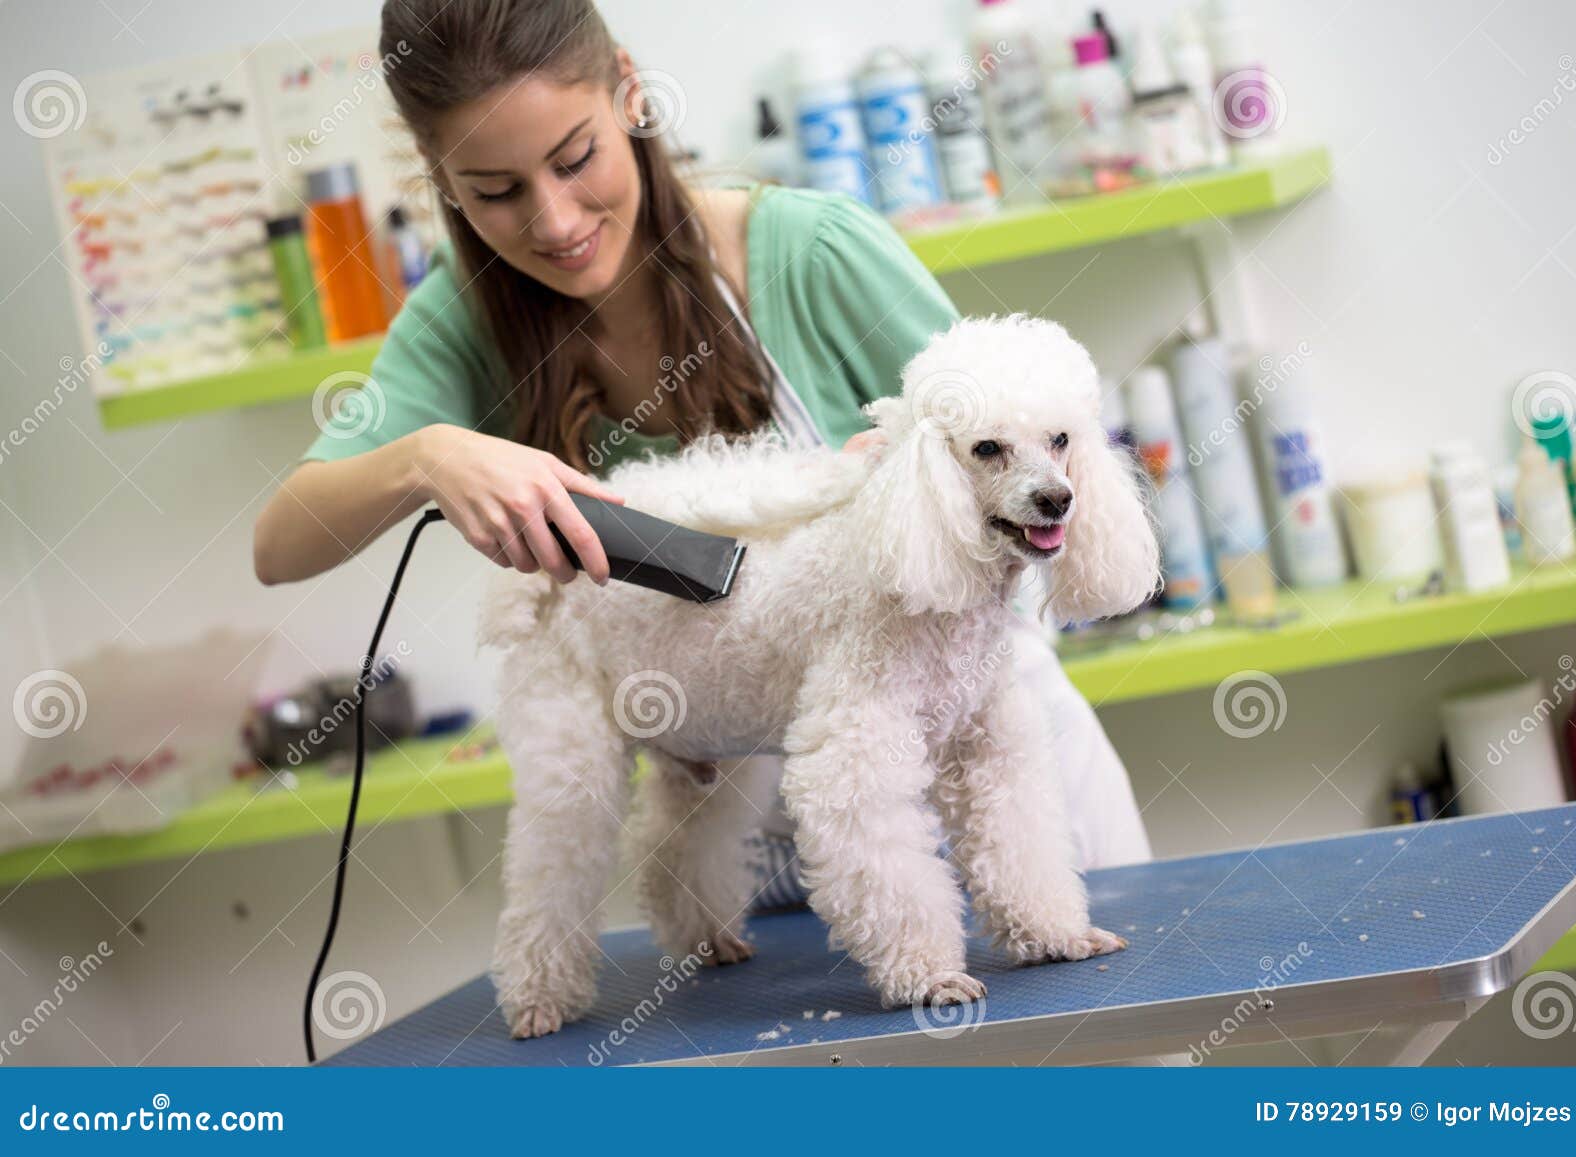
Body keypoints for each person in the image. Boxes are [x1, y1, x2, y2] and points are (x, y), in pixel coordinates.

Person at [251, 0, 1151, 870]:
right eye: (496, 191)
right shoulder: (461, 322)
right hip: (754, 834)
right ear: (439, 175)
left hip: (991, 774)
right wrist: (427, 456)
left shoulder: (812, 252)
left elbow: (1025, 452)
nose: (555, 221)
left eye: (576, 159)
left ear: (630, 92)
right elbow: (282, 542)